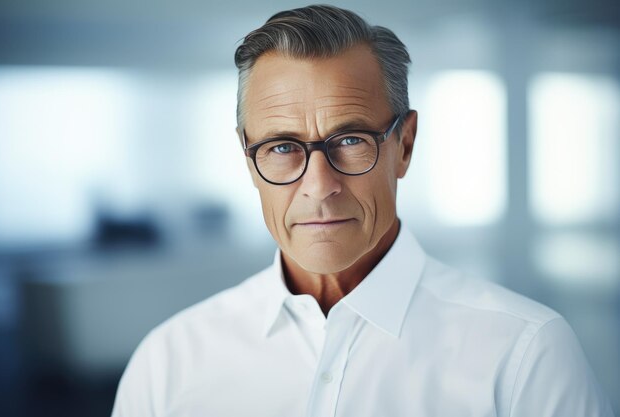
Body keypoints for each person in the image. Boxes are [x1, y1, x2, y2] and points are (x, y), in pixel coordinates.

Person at [111, 5, 614, 417]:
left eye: (350, 140)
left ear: (405, 145)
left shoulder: (526, 354)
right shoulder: (167, 364)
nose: (319, 187)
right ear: (248, 157)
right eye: (283, 147)